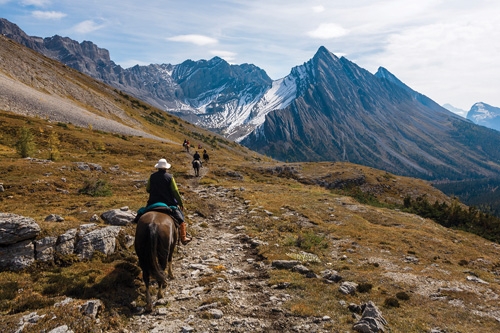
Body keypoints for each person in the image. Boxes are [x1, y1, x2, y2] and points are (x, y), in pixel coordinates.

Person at [146, 158, 191, 245]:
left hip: (153, 202)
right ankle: (183, 237)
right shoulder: (170, 177)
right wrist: (180, 203)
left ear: (158, 167)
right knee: (181, 218)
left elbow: (148, 189)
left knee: (140, 215)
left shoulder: (152, 176)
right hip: (168, 203)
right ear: (166, 168)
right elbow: (175, 191)